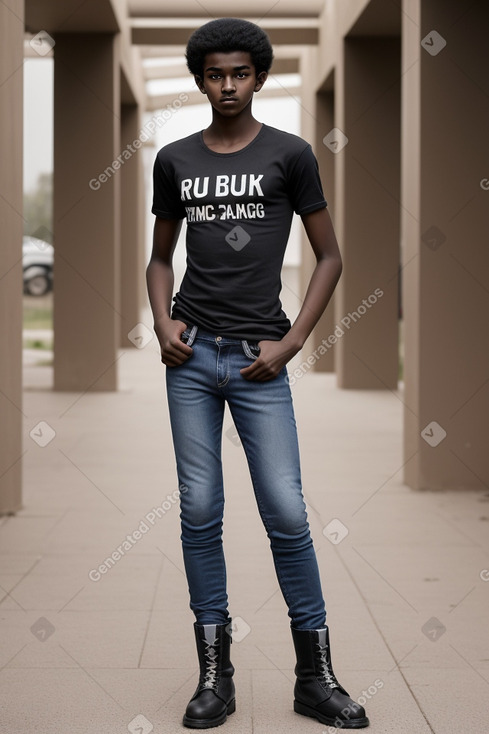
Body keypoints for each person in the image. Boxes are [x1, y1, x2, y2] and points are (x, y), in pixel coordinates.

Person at [146, 16, 369, 730]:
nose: (228, 85)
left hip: (257, 361)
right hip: (191, 359)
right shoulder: (175, 159)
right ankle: (216, 677)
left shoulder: (290, 155)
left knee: (284, 510)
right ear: (199, 79)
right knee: (200, 510)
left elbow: (330, 256)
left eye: (240, 73)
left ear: (259, 77)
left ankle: (316, 677)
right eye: (214, 74)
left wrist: (292, 341)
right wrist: (160, 321)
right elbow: (158, 258)